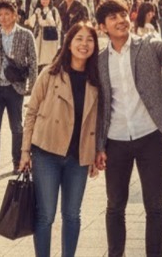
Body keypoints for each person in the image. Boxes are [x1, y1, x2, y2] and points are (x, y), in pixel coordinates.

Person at [95, 0, 162, 257]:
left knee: (155, 206)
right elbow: (98, 108)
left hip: (149, 136)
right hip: (115, 141)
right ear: (103, 26)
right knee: (115, 206)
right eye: (113, 17)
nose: (120, 20)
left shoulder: (147, 46)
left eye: (123, 14)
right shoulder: (99, 60)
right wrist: (98, 146)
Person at [19, 21, 104, 257]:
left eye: (89, 40)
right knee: (45, 214)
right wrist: (25, 151)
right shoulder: (51, 73)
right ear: (68, 43)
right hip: (47, 153)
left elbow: (100, 120)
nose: (84, 44)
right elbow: (32, 111)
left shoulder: (97, 79)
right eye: (78, 39)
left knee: (72, 214)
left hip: (78, 156)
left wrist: (96, 151)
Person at [0, 0, 38, 180]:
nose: (3, 18)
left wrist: (33, 89)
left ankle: (17, 162)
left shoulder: (26, 35)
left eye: (6, 14)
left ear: (14, 15)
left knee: (17, 127)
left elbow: (34, 63)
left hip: (15, 87)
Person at [28, 0, 62, 69]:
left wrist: (42, 18)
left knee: (50, 56)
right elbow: (31, 22)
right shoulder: (38, 10)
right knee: (39, 55)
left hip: (51, 36)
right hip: (40, 36)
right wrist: (36, 16)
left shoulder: (53, 10)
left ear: (50, 0)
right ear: (40, 0)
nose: (45, 1)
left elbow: (56, 23)